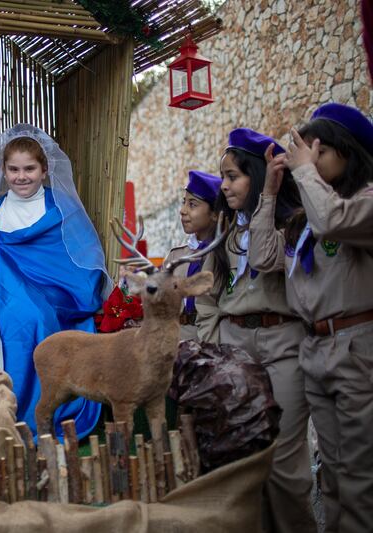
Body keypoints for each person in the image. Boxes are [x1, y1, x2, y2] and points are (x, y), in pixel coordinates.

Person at [249, 103, 373, 533]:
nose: (308, 159)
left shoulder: (364, 201)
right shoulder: (307, 218)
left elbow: (334, 222)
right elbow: (264, 258)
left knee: (360, 476)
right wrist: (270, 191)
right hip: (316, 350)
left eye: (317, 150)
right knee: (334, 474)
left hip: (357, 347)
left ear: (347, 151)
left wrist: (304, 173)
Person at [0, 124, 111, 439]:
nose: (21, 176)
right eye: (13, 169)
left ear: (44, 169)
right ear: (4, 171)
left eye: (29, 169)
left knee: (30, 315)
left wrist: (50, 292)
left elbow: (82, 263)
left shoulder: (61, 210)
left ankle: (30, 412)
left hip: (55, 301)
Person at [210, 128, 315, 533]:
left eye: (233, 175)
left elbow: (265, 259)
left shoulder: (292, 221)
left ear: (256, 174)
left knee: (285, 463)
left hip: (282, 344)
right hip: (236, 344)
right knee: (244, 458)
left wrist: (268, 198)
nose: (224, 185)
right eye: (222, 176)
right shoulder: (227, 228)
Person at [163, 170, 222, 342]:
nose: (182, 211)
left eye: (192, 204)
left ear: (214, 213)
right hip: (175, 341)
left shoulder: (224, 256)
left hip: (211, 342)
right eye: (184, 203)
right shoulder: (175, 257)